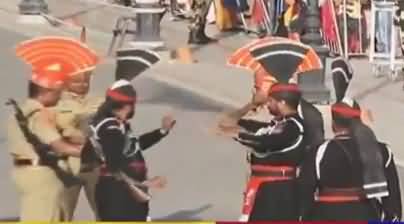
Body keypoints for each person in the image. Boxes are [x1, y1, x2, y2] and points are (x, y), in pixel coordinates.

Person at [7, 36, 97, 221]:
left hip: (25, 173)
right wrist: (89, 152)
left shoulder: (20, 111)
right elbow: (59, 146)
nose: (59, 97)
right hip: (41, 176)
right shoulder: (40, 115)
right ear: (46, 92)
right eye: (57, 93)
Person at [299, 97, 402, 221]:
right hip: (367, 216)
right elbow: (392, 200)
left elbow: (305, 193)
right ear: (359, 121)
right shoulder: (382, 151)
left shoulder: (319, 152)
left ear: (334, 125)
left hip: (327, 216)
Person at [217, 83, 306, 221]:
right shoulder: (274, 125)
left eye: (270, 101)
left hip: (279, 191)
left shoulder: (295, 126)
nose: (267, 105)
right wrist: (251, 104)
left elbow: (266, 142)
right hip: (262, 188)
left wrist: (238, 135)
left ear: (282, 103)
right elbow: (228, 121)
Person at [89, 80, 176, 221]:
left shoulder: (115, 124)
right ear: (128, 106)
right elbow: (114, 166)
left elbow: (133, 146)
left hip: (122, 192)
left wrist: (162, 131)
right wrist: (144, 183)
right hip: (118, 195)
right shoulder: (110, 129)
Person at [55, 70, 103, 221]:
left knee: (105, 212)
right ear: (65, 82)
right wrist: (73, 131)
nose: (82, 85)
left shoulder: (99, 100)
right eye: (76, 81)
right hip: (67, 168)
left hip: (95, 166)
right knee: (63, 214)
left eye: (86, 81)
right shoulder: (56, 102)